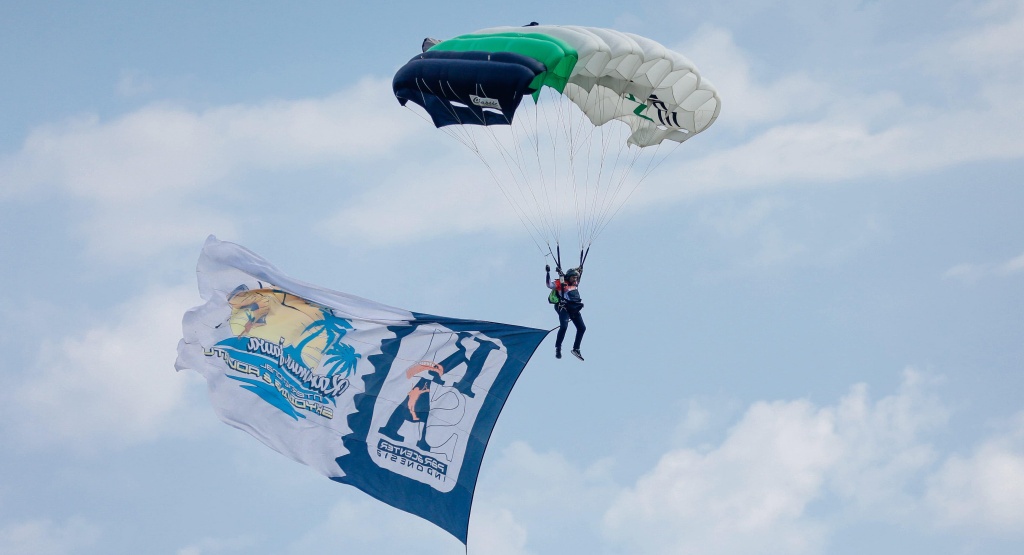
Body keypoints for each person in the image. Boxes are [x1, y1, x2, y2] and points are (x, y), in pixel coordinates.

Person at [546, 264, 586, 360]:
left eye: (576, 277)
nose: (575, 279)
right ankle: (558, 348)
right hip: (564, 308)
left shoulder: (575, 283)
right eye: (573, 277)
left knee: (582, 328)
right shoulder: (561, 283)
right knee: (564, 327)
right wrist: (548, 272)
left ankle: (576, 349)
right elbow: (549, 285)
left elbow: (578, 272)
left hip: (574, 308)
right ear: (568, 277)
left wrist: (579, 268)